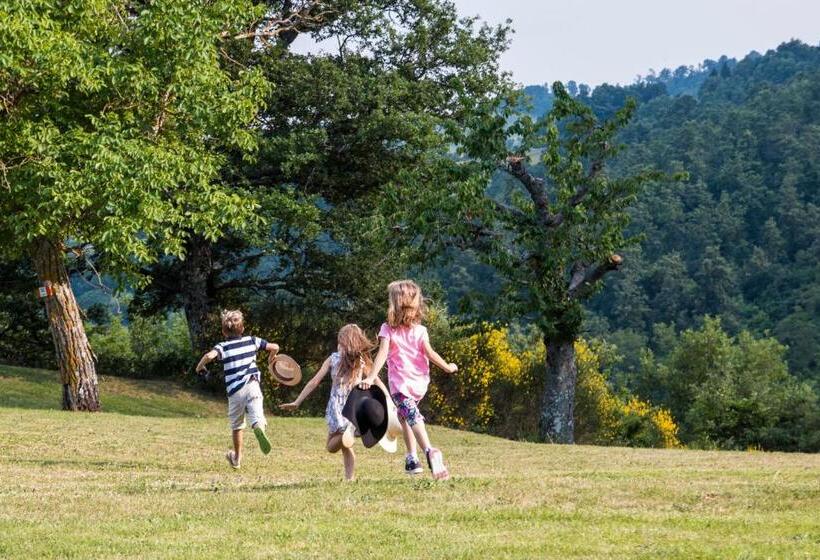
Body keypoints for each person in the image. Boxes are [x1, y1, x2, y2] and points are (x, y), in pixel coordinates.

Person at [361, 280, 457, 480]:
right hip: (419, 383)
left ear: (395, 304)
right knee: (406, 418)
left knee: (412, 417)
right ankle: (411, 458)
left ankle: (429, 451)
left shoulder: (387, 328)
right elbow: (430, 353)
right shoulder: (421, 331)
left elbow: (382, 355)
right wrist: (447, 366)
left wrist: (371, 377)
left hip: (401, 386)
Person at [280, 324, 385, 481]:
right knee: (346, 446)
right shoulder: (361, 361)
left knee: (331, 446)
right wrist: (388, 399)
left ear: (342, 341)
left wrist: (298, 401)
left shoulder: (333, 359)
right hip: (354, 408)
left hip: (338, 408)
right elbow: (376, 380)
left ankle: (346, 433)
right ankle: (349, 478)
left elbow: (314, 381)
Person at [195, 309, 279, 470]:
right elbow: (275, 346)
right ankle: (258, 427)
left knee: (237, 425)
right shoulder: (251, 340)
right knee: (257, 415)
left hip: (235, 392)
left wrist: (199, 367)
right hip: (252, 384)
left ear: (223, 331)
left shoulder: (223, 346)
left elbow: (209, 356)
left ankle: (237, 458)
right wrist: (271, 359)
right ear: (242, 328)